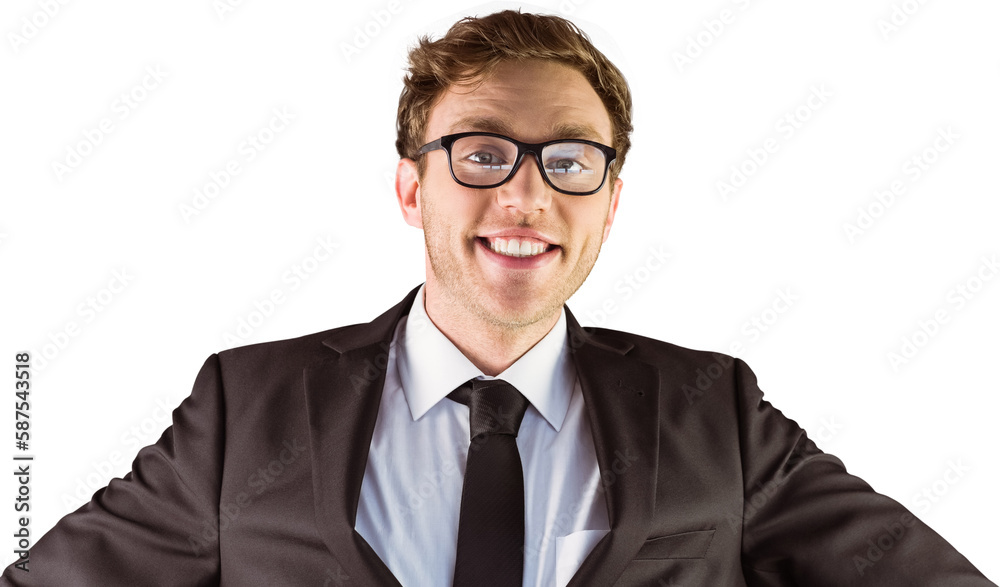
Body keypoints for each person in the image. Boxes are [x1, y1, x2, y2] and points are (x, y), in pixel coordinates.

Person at [2, 9, 995, 587]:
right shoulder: (245, 404)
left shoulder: (716, 409)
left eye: (570, 160)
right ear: (409, 184)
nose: (524, 193)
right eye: (481, 151)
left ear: (608, 205)